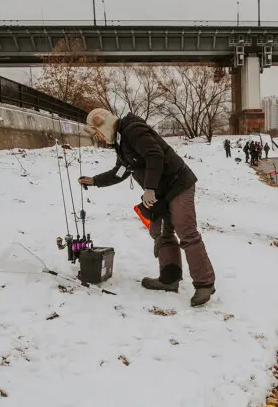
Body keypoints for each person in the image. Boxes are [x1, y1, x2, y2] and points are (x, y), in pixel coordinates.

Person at [78, 109, 216, 307]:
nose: (99, 137)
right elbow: (120, 172)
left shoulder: (132, 130)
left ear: (103, 124)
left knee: (185, 230)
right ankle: (169, 279)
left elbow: (154, 155)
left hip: (178, 184)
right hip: (160, 193)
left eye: (97, 132)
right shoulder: (121, 143)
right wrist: (94, 181)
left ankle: (205, 284)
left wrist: (149, 189)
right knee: (159, 231)